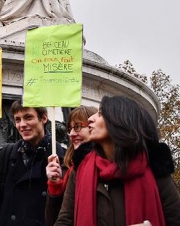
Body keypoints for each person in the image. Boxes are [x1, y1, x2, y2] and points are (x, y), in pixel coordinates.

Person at [54, 96, 180, 225]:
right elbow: (64, 221)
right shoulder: (81, 168)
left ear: (121, 120)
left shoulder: (156, 168)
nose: (91, 119)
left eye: (101, 114)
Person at [0, 100, 65, 226]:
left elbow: (65, 211)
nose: (22, 124)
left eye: (28, 117)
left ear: (44, 118)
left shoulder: (62, 158)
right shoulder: (7, 154)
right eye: (17, 120)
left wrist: (56, 183)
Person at [44, 105, 97, 225]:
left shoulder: (104, 166)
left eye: (78, 127)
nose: (72, 134)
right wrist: (55, 186)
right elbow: (54, 220)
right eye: (70, 128)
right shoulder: (67, 168)